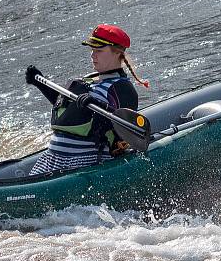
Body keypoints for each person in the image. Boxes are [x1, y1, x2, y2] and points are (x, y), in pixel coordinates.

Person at [25, 24, 148, 176]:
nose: (92, 55)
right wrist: (40, 83)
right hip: (51, 160)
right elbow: (68, 111)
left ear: (117, 53)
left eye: (99, 51)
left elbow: (124, 129)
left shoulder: (121, 88)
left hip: (85, 162)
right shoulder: (88, 80)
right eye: (92, 50)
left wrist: (100, 107)